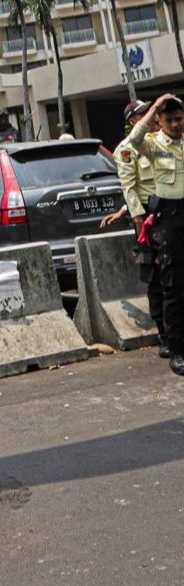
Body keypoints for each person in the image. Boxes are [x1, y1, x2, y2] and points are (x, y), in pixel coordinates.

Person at [125, 93, 184, 375]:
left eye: (179, 119)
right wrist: (156, 105)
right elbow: (133, 140)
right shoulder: (152, 144)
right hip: (168, 220)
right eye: (169, 119)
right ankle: (176, 349)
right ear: (159, 122)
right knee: (172, 287)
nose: (175, 124)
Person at [104, 99, 164, 351]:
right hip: (147, 217)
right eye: (145, 115)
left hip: (170, 209)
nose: (152, 119)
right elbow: (130, 187)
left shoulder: (162, 142)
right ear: (133, 122)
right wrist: (136, 218)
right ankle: (165, 334)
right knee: (157, 276)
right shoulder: (127, 149)